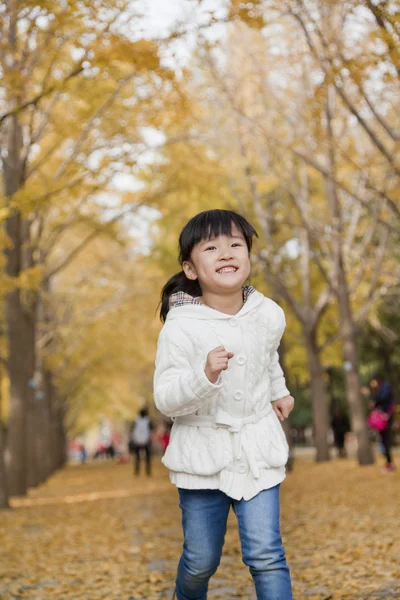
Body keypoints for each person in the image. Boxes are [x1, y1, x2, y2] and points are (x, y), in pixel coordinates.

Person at [154, 209, 294, 600]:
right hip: (203, 458)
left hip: (255, 449)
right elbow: (166, 398)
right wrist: (204, 377)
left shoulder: (268, 314)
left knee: (267, 555)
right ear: (191, 268)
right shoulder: (181, 326)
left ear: (249, 257)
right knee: (200, 561)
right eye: (212, 247)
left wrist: (277, 392)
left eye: (236, 245)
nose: (226, 253)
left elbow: (268, 357)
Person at [369, 373, 396, 473]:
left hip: (386, 418)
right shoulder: (382, 388)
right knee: (384, 440)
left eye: (373, 382)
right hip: (383, 418)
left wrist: (370, 394)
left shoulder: (386, 387)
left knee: (386, 440)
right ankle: (389, 463)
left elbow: (382, 399)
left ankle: (390, 464)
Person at [131, 408, 153, 476]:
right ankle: (148, 471)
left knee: (137, 457)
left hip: (137, 440)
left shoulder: (136, 420)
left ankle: (137, 471)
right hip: (146, 440)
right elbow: (152, 429)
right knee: (147, 457)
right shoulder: (148, 420)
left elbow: (132, 429)